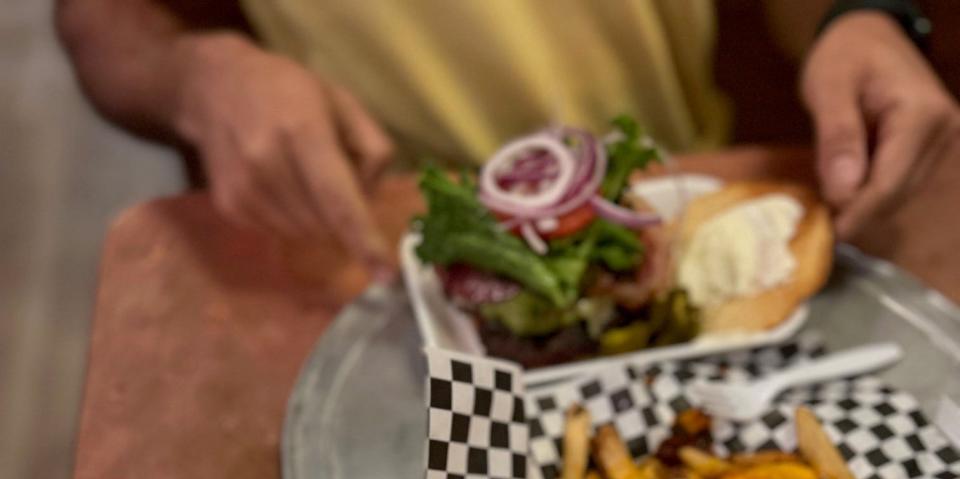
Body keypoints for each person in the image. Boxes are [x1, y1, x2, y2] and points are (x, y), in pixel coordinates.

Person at [55, 0, 958, 278]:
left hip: (693, 199)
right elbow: (101, 20)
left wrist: (856, 17)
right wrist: (192, 73)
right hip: (370, 239)